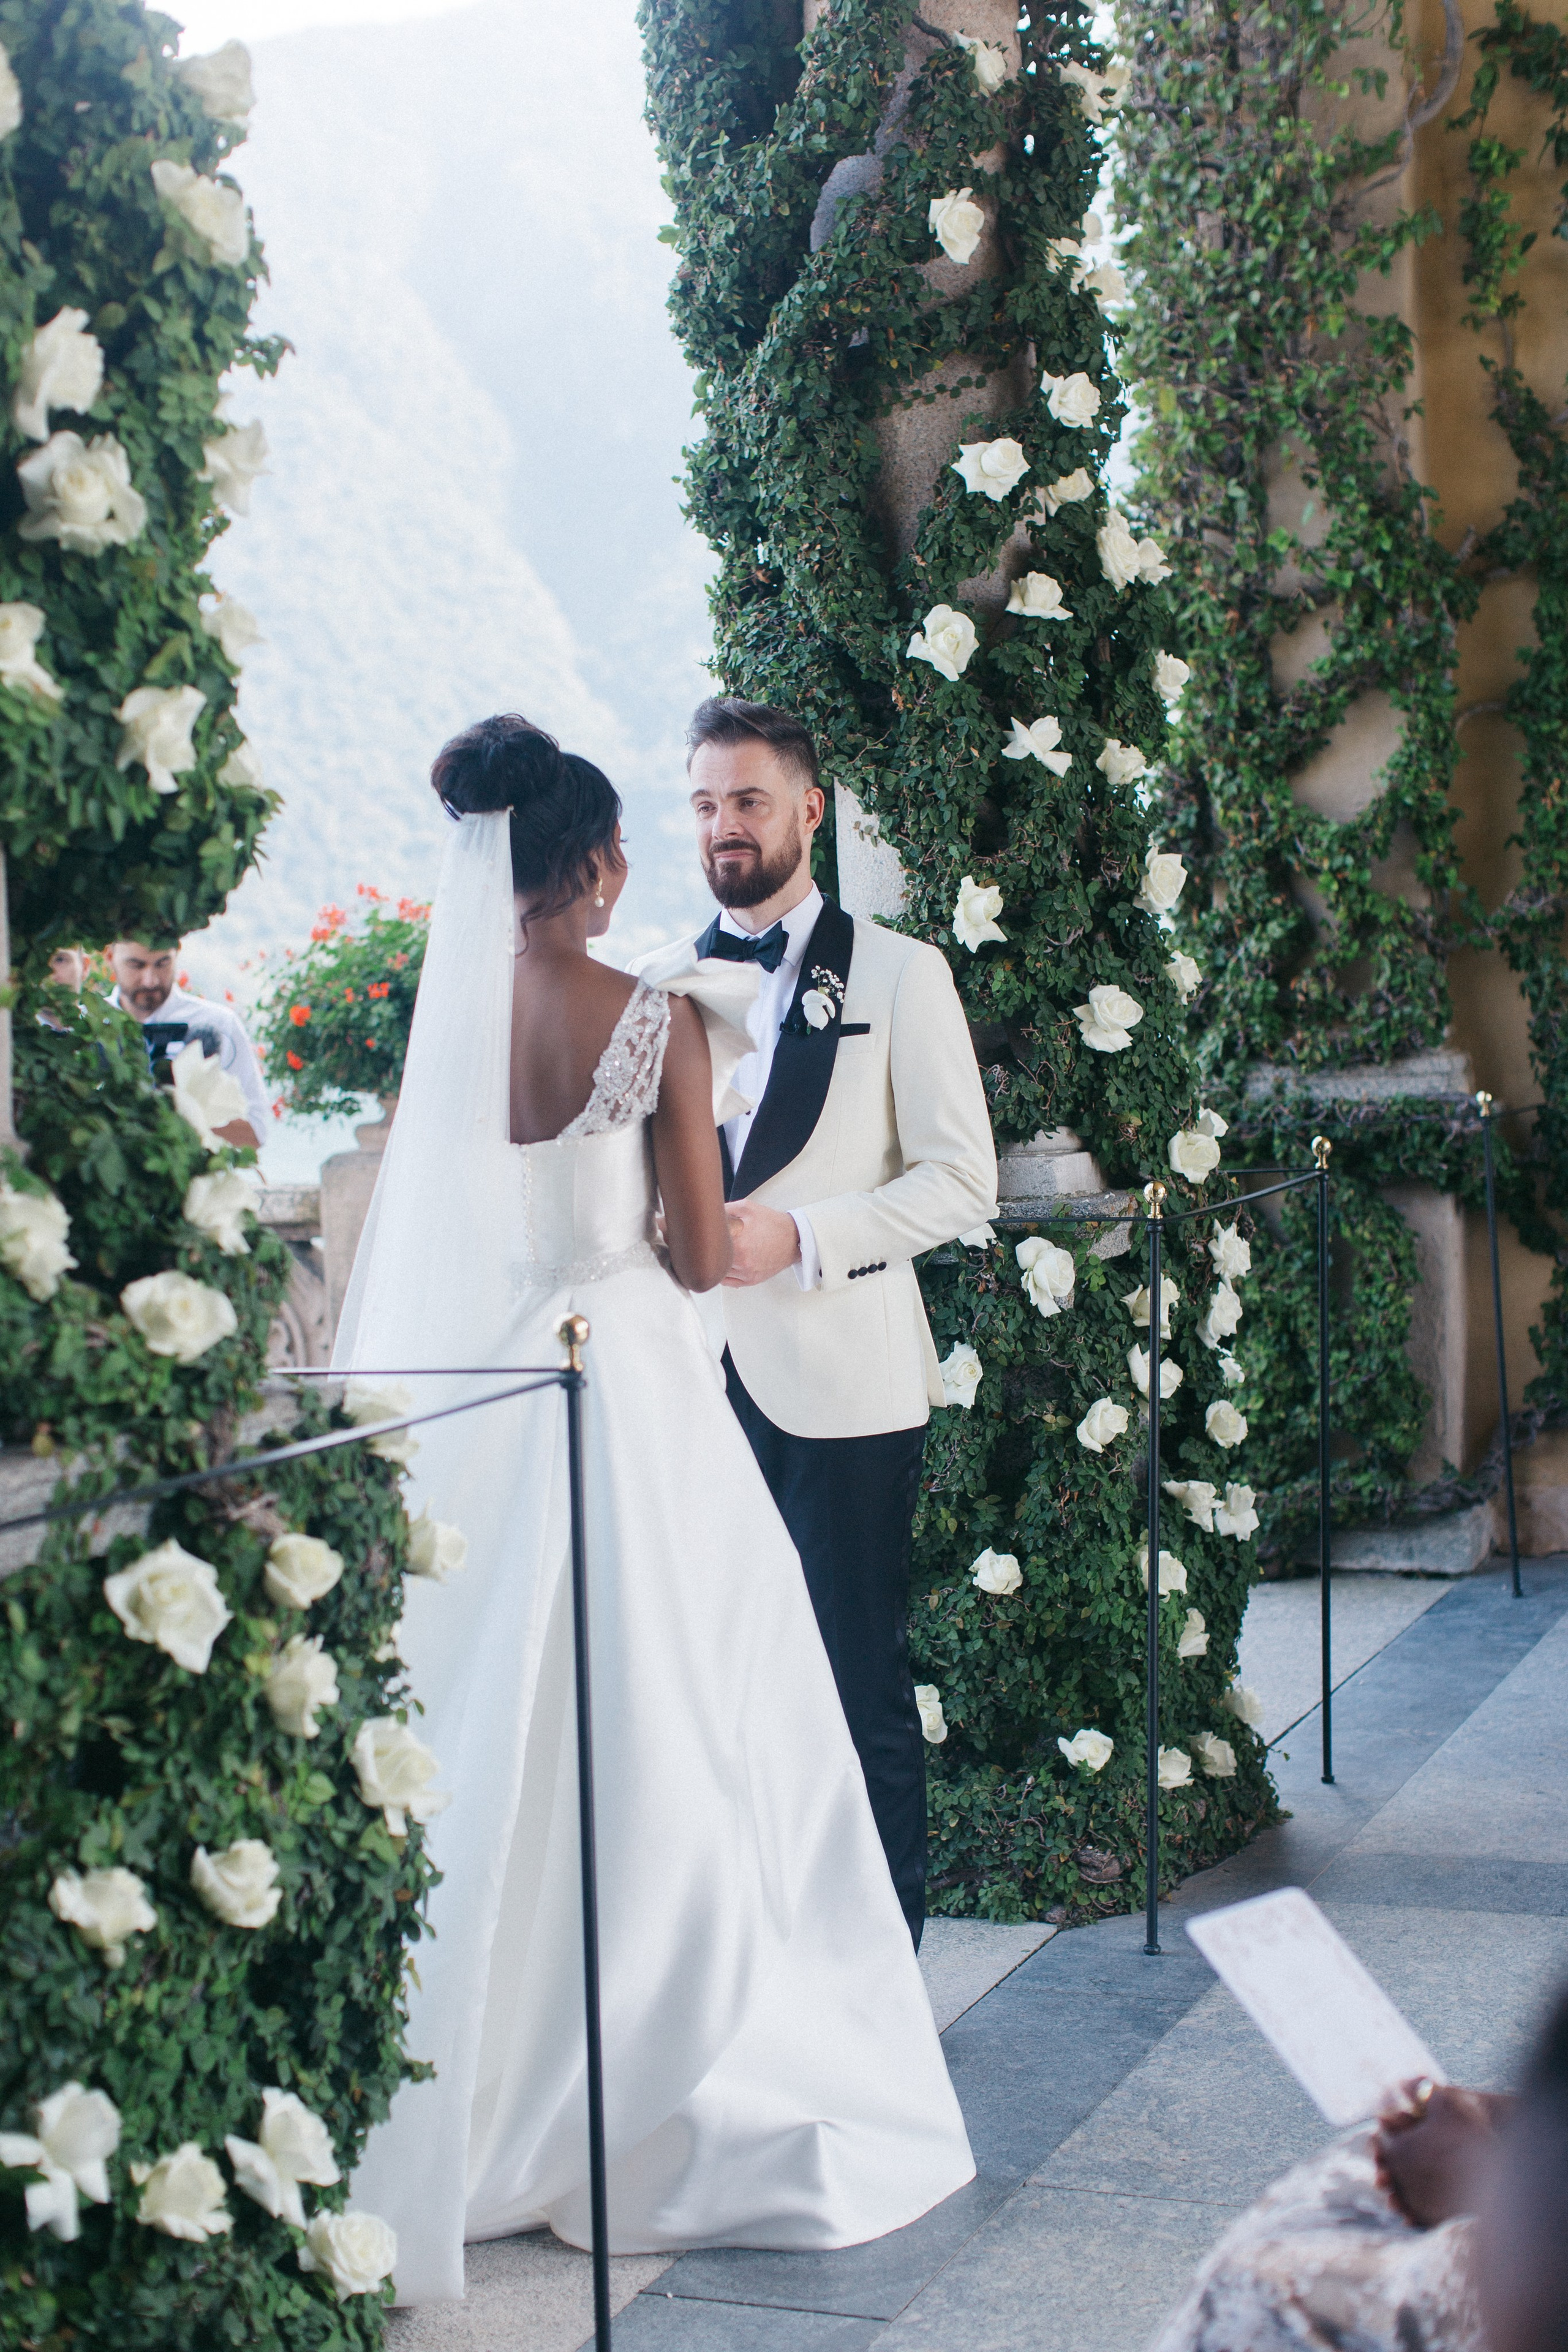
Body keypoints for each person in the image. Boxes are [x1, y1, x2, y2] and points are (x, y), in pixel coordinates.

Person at [334, 714, 975, 2304]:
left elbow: (431, 1231)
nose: (712, 827)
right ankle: (664, 2068)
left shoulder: (453, 1028)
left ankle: (479, 2087)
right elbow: (696, 1256)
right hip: (630, 1392)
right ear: (609, 859)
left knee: (504, 1728)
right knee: (680, 1720)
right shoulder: (656, 1011)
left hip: (490, 1400)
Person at [633, 698, 997, 1945]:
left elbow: (960, 1182)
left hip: (842, 1385)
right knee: (714, 1687)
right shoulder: (663, 989)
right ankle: (760, 1961)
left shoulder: (897, 973)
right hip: (689, 1386)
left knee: (854, 1684)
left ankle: (885, 1973)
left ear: (807, 809)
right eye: (701, 802)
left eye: (745, 800)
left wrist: (801, 1238)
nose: (722, 826)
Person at [107, 939, 269, 1148]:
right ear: (110, 957)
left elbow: (256, 1131)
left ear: (177, 953)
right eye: (136, 965)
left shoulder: (218, 1024)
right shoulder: (83, 1026)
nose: (150, 981)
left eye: (163, 964)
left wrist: (184, 1130)